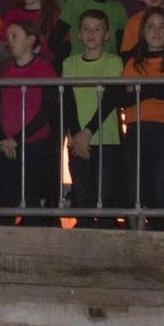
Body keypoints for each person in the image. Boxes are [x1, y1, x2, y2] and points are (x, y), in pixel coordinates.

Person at [0, 19, 60, 221]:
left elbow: (46, 111)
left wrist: (17, 139)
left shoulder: (44, 69)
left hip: (33, 142)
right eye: (7, 37)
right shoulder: (2, 70)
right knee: (5, 195)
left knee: (29, 193)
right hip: (5, 143)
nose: (8, 41)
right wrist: (4, 138)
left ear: (30, 40)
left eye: (14, 36)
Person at [62, 11, 125, 228]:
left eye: (97, 29)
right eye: (86, 29)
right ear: (79, 34)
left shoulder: (113, 62)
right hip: (77, 142)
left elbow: (108, 100)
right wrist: (78, 135)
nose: (91, 34)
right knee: (82, 195)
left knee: (106, 197)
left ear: (106, 35)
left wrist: (87, 132)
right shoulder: (69, 63)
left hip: (106, 139)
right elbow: (68, 100)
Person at [121, 9, 164, 230]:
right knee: (135, 185)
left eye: (162, 27)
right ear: (143, 31)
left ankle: (163, 231)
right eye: (151, 27)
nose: (156, 32)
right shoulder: (134, 63)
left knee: (162, 184)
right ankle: (135, 233)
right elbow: (124, 98)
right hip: (137, 128)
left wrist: (142, 90)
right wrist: (155, 89)